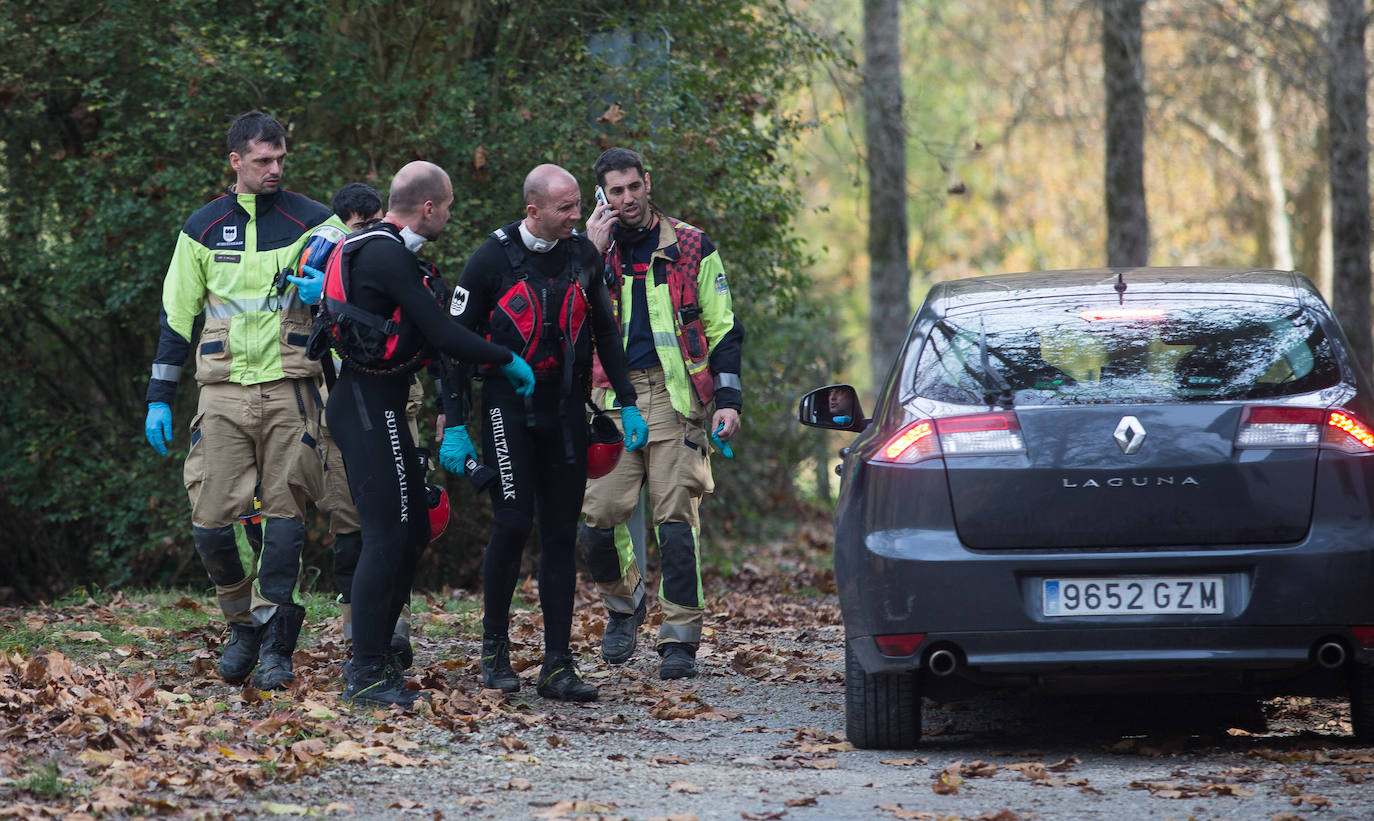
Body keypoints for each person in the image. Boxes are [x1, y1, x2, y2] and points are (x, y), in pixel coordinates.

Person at [319, 160, 533, 707]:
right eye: (450, 206)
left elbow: (432, 336)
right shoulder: (385, 252)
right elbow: (442, 332)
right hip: (366, 405)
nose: (451, 215)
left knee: (413, 529)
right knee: (386, 534)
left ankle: (379, 656)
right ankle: (365, 672)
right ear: (429, 207)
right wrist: (505, 357)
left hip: (383, 403)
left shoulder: (391, 252)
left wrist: (452, 406)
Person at [143, 110, 338, 690]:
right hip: (223, 394)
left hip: (292, 389)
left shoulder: (318, 222)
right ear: (236, 162)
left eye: (280, 159)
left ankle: (278, 643)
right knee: (209, 521)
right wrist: (159, 396)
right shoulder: (200, 228)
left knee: (284, 521)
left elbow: (359, 297)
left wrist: (325, 291)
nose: (274, 169)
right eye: (262, 161)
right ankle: (242, 623)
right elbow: (177, 320)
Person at [451, 163, 645, 702]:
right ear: (533, 210)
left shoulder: (584, 255)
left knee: (560, 536)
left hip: (565, 413)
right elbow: (453, 341)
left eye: (580, 203)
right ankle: (494, 651)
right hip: (506, 410)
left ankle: (557, 664)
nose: (578, 215)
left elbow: (605, 329)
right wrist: (453, 422)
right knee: (513, 524)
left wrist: (626, 403)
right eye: (566, 208)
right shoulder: (490, 259)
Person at [579, 147, 743, 680]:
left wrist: (730, 402)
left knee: (675, 522)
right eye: (615, 191)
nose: (626, 199)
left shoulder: (693, 245)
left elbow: (723, 330)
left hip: (676, 401)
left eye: (633, 187)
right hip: (609, 402)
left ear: (648, 183)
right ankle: (624, 605)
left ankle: (680, 638)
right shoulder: (585, 250)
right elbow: (565, 319)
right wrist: (586, 253)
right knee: (598, 521)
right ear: (602, 196)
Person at [289, 182, 421, 667]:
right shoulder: (322, 252)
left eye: (373, 223)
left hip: (394, 401)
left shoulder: (392, 254)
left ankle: (396, 631)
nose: (365, 234)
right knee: (350, 523)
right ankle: (359, 636)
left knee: (402, 519)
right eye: (358, 226)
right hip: (345, 405)